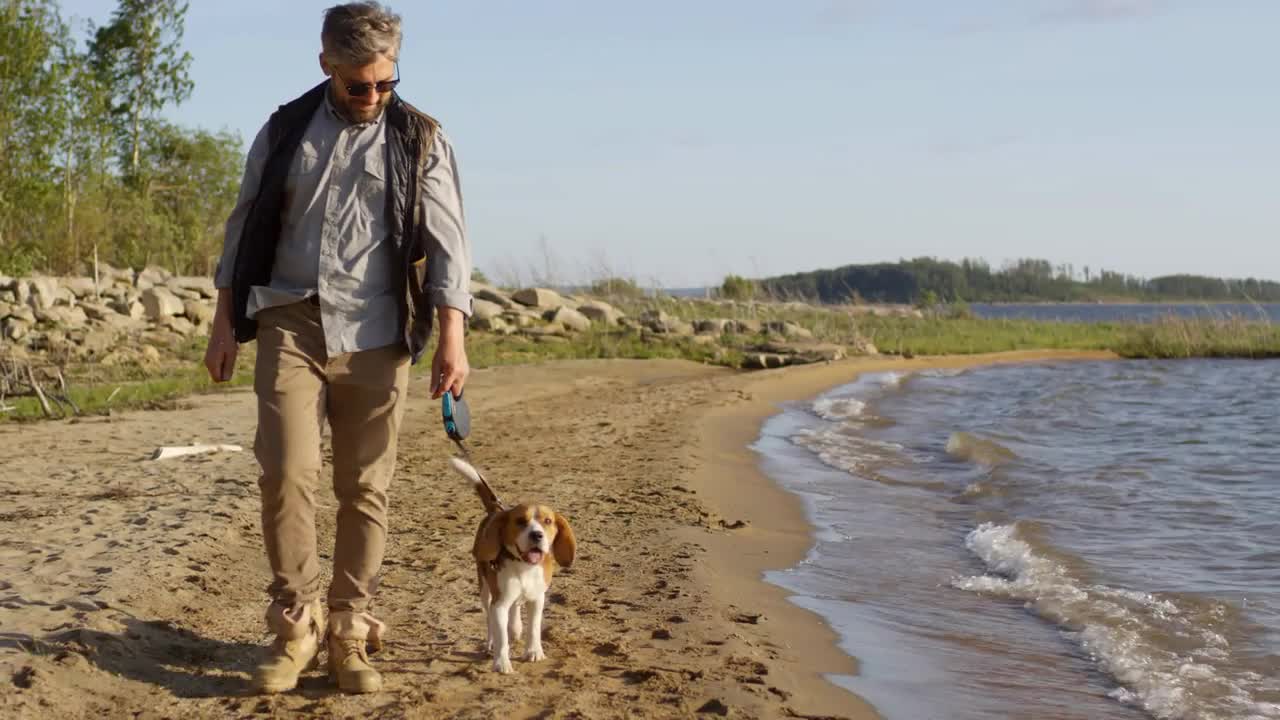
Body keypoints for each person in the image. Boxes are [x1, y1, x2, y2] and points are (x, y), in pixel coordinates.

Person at [204, 1, 472, 695]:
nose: (374, 97)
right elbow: (243, 224)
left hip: (380, 331)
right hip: (291, 320)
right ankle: (295, 625)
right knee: (286, 473)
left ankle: (350, 631)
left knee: (366, 488)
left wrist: (452, 333)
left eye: (386, 82)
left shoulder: (421, 138)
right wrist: (224, 317)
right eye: (360, 85)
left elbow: (448, 241)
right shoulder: (285, 129)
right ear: (326, 65)